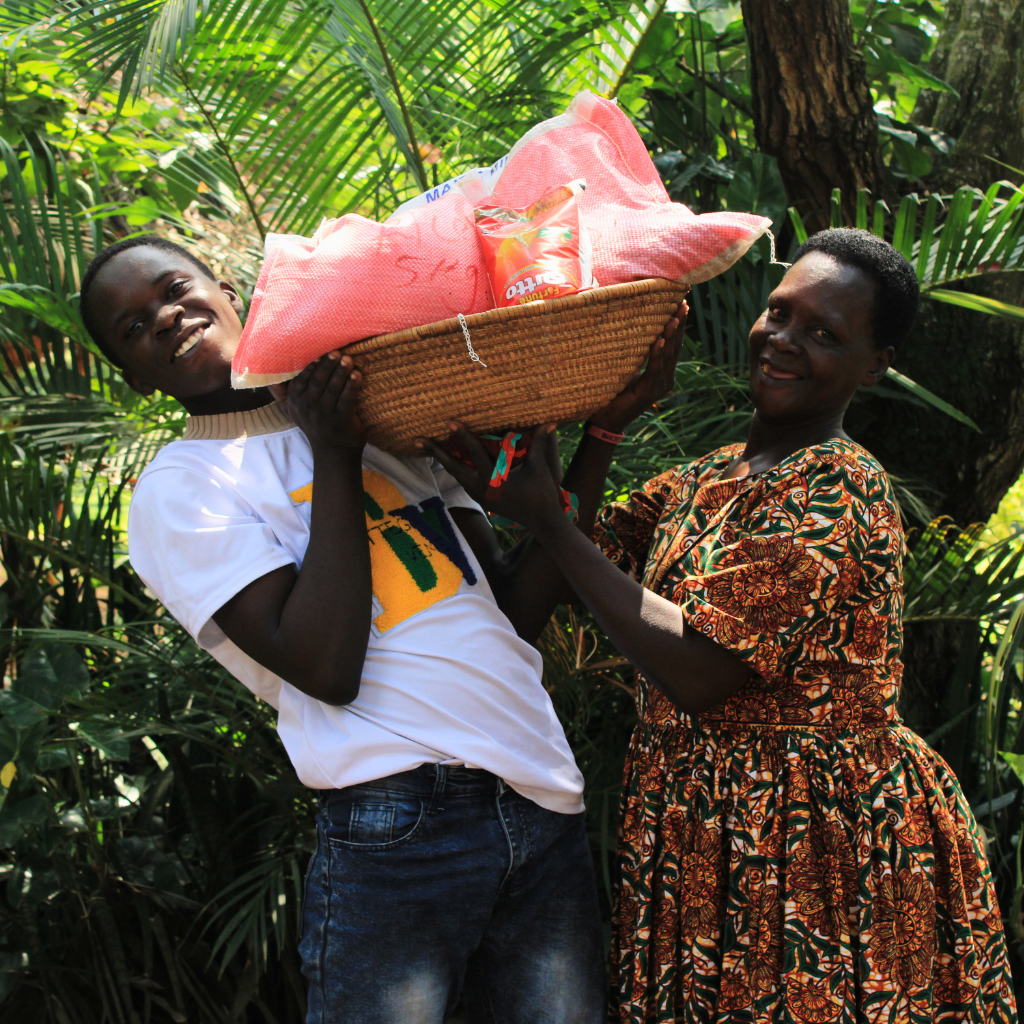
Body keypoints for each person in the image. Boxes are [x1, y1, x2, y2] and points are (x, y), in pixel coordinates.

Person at [77, 234, 685, 1024]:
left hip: (537, 791)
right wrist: (334, 455)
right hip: (398, 817)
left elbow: (513, 614)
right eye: (134, 327)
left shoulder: (384, 416)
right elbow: (325, 665)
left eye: (173, 288)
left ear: (226, 288)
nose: (164, 317)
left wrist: (600, 431)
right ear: (135, 376)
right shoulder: (181, 491)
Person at [425, 229, 1019, 1023]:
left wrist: (552, 524)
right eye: (780, 312)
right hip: (700, 825)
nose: (783, 339)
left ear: (875, 366)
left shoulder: (839, 487)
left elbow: (702, 670)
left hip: (808, 835)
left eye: (823, 333)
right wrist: (605, 427)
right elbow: (549, 586)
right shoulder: (706, 476)